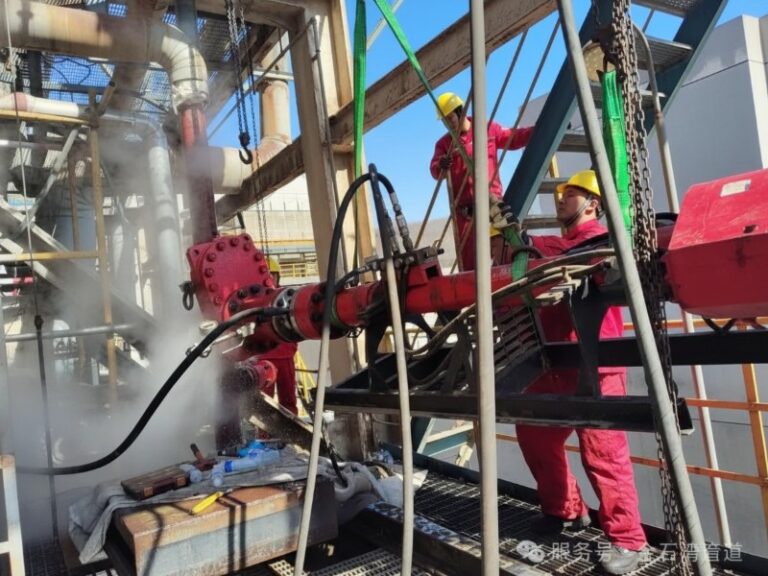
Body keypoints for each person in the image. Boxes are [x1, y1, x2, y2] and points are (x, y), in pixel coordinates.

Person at [515, 170, 647, 575]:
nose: (560, 200)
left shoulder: (600, 240)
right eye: (559, 193)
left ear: (592, 203)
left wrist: (529, 246)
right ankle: (566, 510)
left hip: (596, 359)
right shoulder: (555, 245)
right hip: (553, 358)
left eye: (570, 194)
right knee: (534, 432)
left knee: (602, 451)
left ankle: (628, 539)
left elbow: (574, 257)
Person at [429, 92, 533, 270]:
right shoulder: (444, 144)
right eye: (444, 120)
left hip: (493, 209)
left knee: (505, 257)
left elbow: (513, 137)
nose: (448, 123)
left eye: (450, 118)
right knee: (471, 267)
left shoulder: (486, 128)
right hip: (465, 216)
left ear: (460, 111)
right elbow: (434, 170)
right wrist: (441, 164)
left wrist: (540, 129)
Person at [257, 257, 299, 414]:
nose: (269, 279)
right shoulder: (258, 299)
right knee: (264, 401)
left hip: (285, 355)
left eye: (272, 275)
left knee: (288, 398)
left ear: (277, 276)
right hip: (265, 357)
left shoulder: (286, 296)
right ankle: (265, 435)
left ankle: (291, 431)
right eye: (266, 276)